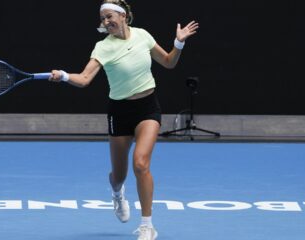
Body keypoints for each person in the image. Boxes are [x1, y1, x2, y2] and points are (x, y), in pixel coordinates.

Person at [49, 0, 198, 239]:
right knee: (119, 175)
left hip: (147, 108)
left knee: (141, 164)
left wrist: (179, 42)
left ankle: (147, 226)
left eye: (110, 16)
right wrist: (65, 76)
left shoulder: (143, 36)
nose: (107, 22)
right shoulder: (103, 48)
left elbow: (169, 62)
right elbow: (85, 78)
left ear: (124, 16)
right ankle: (117, 193)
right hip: (119, 112)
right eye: (103, 19)